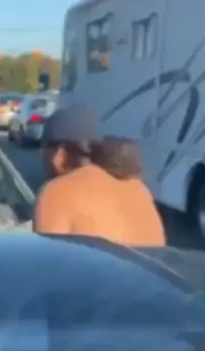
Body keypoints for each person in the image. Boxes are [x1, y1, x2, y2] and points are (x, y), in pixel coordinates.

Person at [33, 105, 166, 246]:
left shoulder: (57, 193)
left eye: (44, 150)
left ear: (60, 156)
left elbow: (46, 258)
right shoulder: (140, 191)